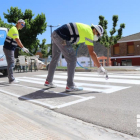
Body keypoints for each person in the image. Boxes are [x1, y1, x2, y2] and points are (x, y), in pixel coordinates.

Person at [44, 22, 107, 91]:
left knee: (55, 59)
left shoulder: (87, 29)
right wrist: (99, 67)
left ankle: (48, 81)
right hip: (61, 37)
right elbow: (91, 52)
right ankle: (70, 85)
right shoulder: (89, 33)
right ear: (94, 30)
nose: (97, 36)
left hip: (55, 34)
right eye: (98, 35)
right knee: (72, 59)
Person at [3, 19, 29, 84]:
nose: (23, 26)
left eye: (24, 25)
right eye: (22, 24)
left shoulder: (15, 30)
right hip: (8, 48)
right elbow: (17, 40)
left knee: (11, 63)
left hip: (9, 48)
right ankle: (11, 80)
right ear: (18, 23)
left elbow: (15, 40)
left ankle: (11, 78)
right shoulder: (14, 29)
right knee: (11, 63)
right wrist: (23, 47)